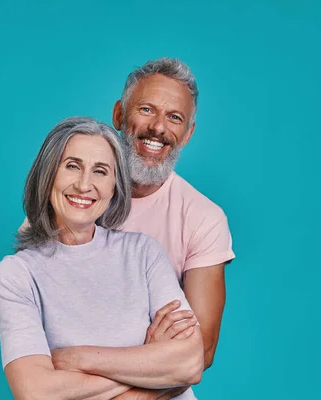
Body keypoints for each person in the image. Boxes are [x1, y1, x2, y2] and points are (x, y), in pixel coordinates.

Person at [50, 58, 236, 399]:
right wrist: (149, 356)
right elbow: (44, 337)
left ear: (188, 133)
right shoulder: (67, 199)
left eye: (175, 117)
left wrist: (122, 391)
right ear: (120, 114)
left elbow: (199, 353)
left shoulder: (203, 217)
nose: (158, 128)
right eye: (147, 109)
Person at [0, 117, 204, 400]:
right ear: (47, 175)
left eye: (101, 171)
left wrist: (79, 360)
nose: (84, 185)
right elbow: (36, 392)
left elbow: (190, 363)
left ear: (115, 186)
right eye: (72, 166)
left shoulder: (144, 253)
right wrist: (150, 366)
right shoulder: (17, 274)